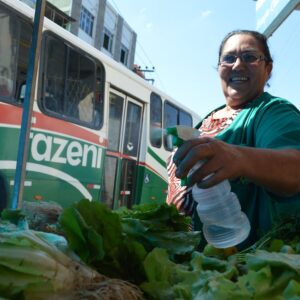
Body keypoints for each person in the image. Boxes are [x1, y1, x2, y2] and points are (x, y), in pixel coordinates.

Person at [167, 29, 300, 249]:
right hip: (189, 266)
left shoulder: (272, 112)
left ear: (268, 69)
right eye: (228, 58)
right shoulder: (206, 122)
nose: (238, 65)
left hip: (236, 269)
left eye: (249, 57)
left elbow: (295, 167)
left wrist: (240, 159)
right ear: (219, 68)